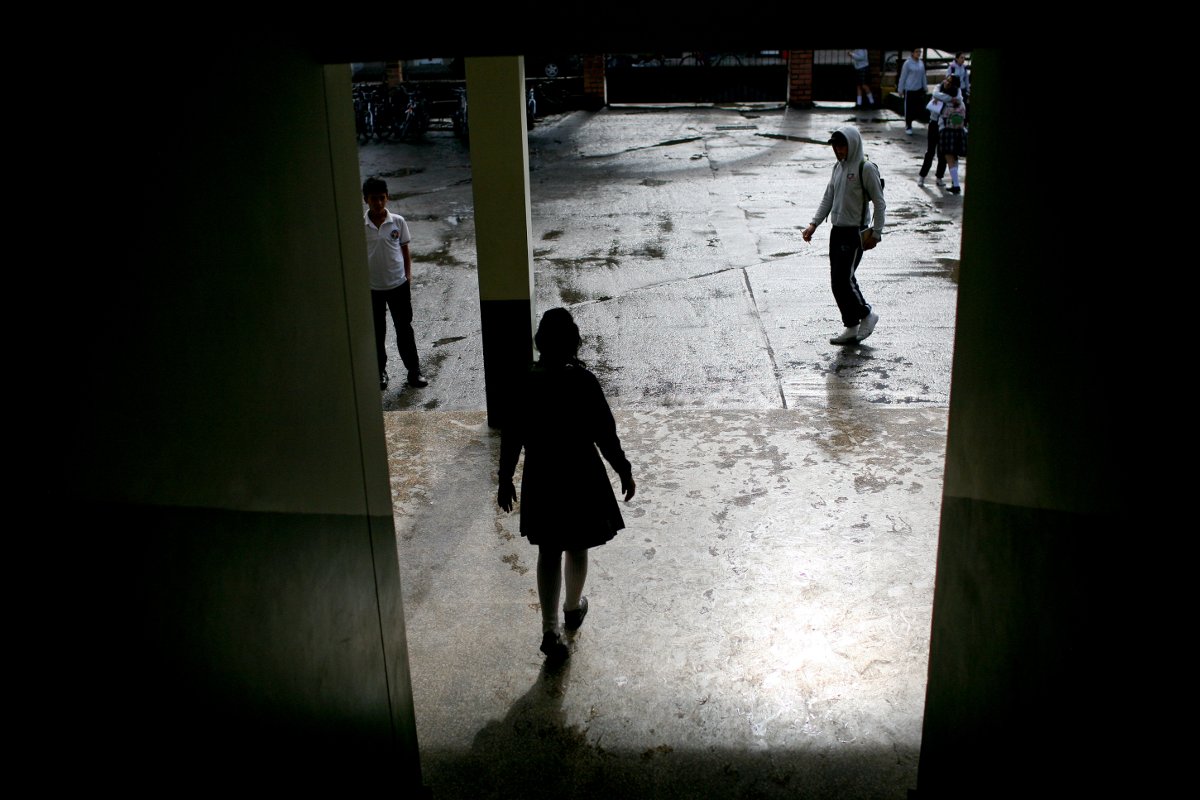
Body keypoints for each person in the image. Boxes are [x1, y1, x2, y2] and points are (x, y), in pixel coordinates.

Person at [498, 308, 636, 662]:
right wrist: (623, 468)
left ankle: (549, 628)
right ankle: (572, 609)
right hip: (580, 473)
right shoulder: (583, 381)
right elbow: (605, 433)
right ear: (574, 342)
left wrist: (505, 478)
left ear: (540, 343)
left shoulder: (525, 381)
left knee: (548, 549)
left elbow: (512, 436)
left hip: (542, 475)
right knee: (577, 545)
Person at [801, 127, 886, 345]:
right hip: (837, 231)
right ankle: (851, 326)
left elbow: (879, 201)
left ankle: (867, 314)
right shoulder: (837, 168)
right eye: (835, 146)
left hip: (854, 232)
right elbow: (828, 197)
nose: (838, 151)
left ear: (853, 144)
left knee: (844, 280)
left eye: (841, 145)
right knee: (837, 282)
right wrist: (814, 224)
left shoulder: (864, 168)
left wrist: (876, 232)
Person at [363, 176, 427, 390]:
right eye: (373, 199)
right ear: (366, 200)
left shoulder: (397, 222)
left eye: (382, 198)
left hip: (398, 285)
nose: (378, 203)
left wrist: (408, 276)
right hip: (372, 289)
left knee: (404, 329)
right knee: (377, 332)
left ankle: (414, 371)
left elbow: (404, 251)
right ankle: (380, 372)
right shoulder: (360, 225)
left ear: (387, 198)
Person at [918, 74, 957, 187]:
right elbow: (936, 94)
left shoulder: (954, 94)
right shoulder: (938, 89)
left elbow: (958, 99)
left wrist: (942, 98)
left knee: (942, 153)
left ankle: (939, 177)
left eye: (950, 82)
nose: (946, 83)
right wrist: (947, 98)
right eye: (946, 80)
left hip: (945, 125)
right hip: (934, 123)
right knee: (930, 151)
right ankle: (922, 176)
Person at [936, 75, 967, 194]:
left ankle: (956, 185)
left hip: (947, 130)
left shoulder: (944, 98)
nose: (945, 81)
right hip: (959, 130)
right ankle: (955, 182)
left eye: (948, 80)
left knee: (949, 158)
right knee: (955, 158)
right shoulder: (960, 99)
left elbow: (935, 97)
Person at [897, 48, 927, 135]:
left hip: (919, 89)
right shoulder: (907, 63)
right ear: (912, 53)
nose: (918, 53)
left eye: (919, 52)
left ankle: (915, 120)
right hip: (910, 89)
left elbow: (923, 76)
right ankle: (908, 125)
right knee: (909, 109)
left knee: (917, 108)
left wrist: (925, 86)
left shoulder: (921, 63)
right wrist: (900, 89)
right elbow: (903, 76)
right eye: (916, 52)